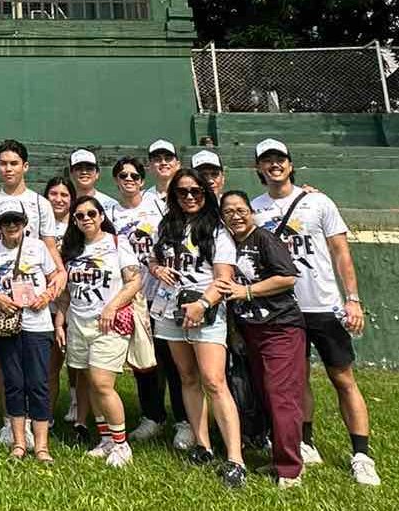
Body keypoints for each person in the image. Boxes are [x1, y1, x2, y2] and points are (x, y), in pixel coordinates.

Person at [251, 138, 380, 486]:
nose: (274, 165)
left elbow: (340, 253)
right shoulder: (255, 209)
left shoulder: (318, 201)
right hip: (284, 309)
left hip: (323, 305)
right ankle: (306, 443)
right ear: (258, 169)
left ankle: (361, 454)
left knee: (343, 378)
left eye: (280, 159)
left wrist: (352, 299)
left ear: (291, 164)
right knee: (297, 380)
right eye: (267, 161)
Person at [149, 168, 247, 488]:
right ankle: (203, 445)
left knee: (214, 381)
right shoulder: (168, 226)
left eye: (196, 191)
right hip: (171, 309)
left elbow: (224, 278)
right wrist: (157, 268)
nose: (189, 197)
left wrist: (203, 304)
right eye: (182, 192)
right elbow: (152, 258)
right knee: (187, 378)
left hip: (204, 309)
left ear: (206, 194)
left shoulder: (217, 231)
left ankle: (235, 458)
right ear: (173, 196)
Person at [215, 191, 308, 488]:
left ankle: (291, 469)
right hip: (251, 330)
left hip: (280, 326)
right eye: (228, 211)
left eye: (241, 209)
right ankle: (279, 456)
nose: (236, 215)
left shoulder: (265, 239)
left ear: (251, 211)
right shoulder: (229, 244)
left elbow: (288, 277)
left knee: (281, 395)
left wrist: (247, 292)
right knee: (265, 394)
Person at [0, 140, 58, 447]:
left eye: (14, 163)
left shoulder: (39, 204)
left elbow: (49, 247)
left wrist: (54, 288)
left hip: (34, 298)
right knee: (5, 364)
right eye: (3, 163)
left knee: (38, 370)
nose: (8, 168)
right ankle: (9, 422)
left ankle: (40, 429)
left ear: (25, 166)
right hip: (1, 298)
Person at [60, 197, 142, 468]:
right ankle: (106, 439)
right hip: (78, 322)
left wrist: (112, 307)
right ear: (74, 220)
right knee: (91, 383)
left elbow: (134, 281)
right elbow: (65, 292)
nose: (86, 219)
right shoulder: (71, 249)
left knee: (103, 383)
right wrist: (61, 319)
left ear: (101, 215)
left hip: (108, 323)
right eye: (80, 215)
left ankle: (122, 444)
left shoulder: (116, 243)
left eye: (91, 213)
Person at [0, 202, 65, 463]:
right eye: (6, 222)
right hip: (7, 323)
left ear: (25, 222)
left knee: (39, 383)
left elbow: (55, 277)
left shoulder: (38, 247)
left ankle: (41, 446)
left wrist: (47, 296)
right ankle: (19, 442)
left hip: (38, 324)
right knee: (14, 383)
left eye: (16, 220)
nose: (11, 226)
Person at [110, 155, 184, 446]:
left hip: (162, 293)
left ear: (142, 180)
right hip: (132, 297)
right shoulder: (110, 214)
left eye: (134, 176)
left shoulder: (159, 206)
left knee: (173, 360)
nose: (128, 180)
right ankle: (152, 416)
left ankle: (183, 420)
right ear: (116, 180)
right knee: (143, 363)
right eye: (122, 175)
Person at [44, 177, 78, 428]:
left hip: (77, 301)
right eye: (53, 194)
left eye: (64, 195)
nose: (58, 199)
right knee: (50, 364)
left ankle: (78, 405)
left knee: (80, 361)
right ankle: (46, 416)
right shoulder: (37, 226)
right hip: (47, 303)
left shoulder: (80, 224)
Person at [68, 149, 119, 220]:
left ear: (97, 174)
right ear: (71, 174)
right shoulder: (64, 204)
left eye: (89, 168)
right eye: (78, 168)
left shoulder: (111, 205)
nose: (84, 172)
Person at [144, 140, 181, 215]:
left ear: (178, 165)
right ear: (150, 166)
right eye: (157, 159)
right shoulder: (142, 198)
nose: (163, 163)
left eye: (168, 158)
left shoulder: (189, 194)